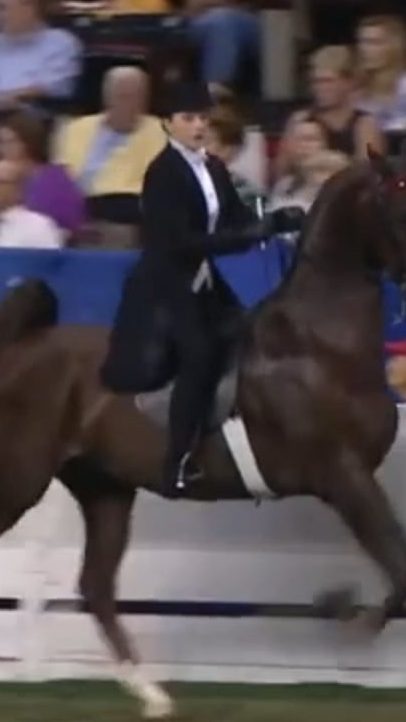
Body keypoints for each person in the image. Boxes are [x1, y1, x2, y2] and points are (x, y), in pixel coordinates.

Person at [100, 84, 308, 495]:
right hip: (166, 282)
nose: (198, 126)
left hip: (204, 276)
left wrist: (278, 221)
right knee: (200, 352)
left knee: (253, 332)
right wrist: (244, 236)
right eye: (188, 119)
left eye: (202, 119)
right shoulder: (162, 174)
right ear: (168, 124)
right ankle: (177, 459)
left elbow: (237, 216)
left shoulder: (212, 168)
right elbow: (180, 242)